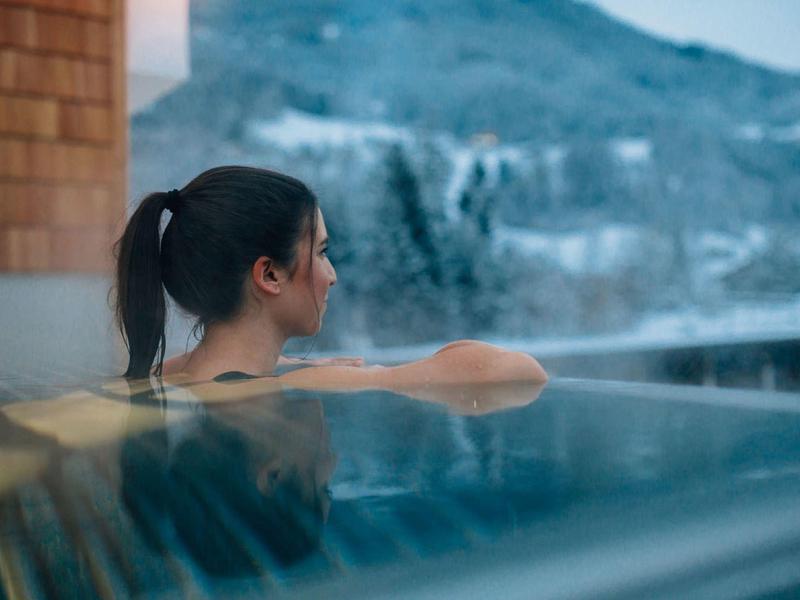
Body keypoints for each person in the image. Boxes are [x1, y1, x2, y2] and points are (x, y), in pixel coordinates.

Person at [113, 166, 547, 388]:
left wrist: (277, 364)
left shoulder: (162, 376)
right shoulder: (295, 387)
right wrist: (371, 376)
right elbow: (520, 371)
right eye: (321, 252)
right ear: (269, 274)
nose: (332, 276)